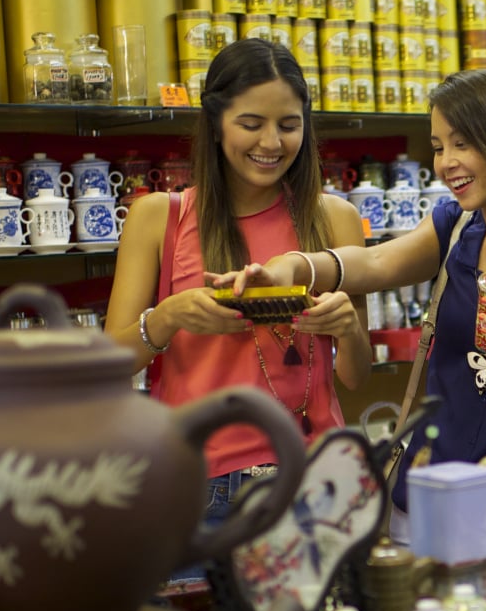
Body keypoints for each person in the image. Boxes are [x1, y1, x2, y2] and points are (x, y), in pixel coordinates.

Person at [218, 68, 486, 533]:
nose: (446, 163)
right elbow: (375, 263)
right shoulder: (455, 227)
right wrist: (293, 267)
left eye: (462, 144)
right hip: (425, 502)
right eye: (438, 147)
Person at [105, 38, 371, 527]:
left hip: (316, 478)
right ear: (215, 123)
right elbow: (109, 364)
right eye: (251, 124)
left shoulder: (335, 218)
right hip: (199, 486)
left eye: (288, 125)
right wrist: (167, 317)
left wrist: (348, 328)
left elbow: (356, 376)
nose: (271, 143)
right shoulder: (159, 217)